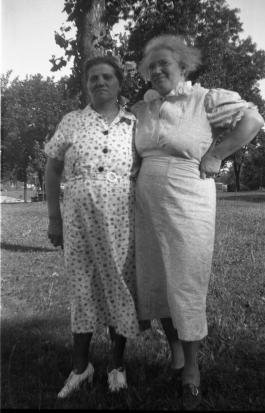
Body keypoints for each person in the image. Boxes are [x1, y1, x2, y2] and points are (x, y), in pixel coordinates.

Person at [131, 35, 264, 410]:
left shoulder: (204, 98)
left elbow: (252, 118)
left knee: (185, 280)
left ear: (183, 68)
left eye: (164, 65)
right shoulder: (143, 108)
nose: (156, 71)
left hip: (188, 196)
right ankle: (174, 354)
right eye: (150, 66)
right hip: (147, 203)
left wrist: (217, 154)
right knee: (157, 280)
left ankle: (192, 368)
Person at [45, 56, 140, 399]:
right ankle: (80, 367)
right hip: (77, 220)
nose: (100, 82)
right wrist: (54, 217)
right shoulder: (72, 121)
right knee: (82, 285)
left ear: (118, 83)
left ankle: (116, 365)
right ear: (86, 85)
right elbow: (52, 171)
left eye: (106, 77)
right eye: (93, 78)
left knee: (119, 283)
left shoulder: (134, 123)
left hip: (121, 220)